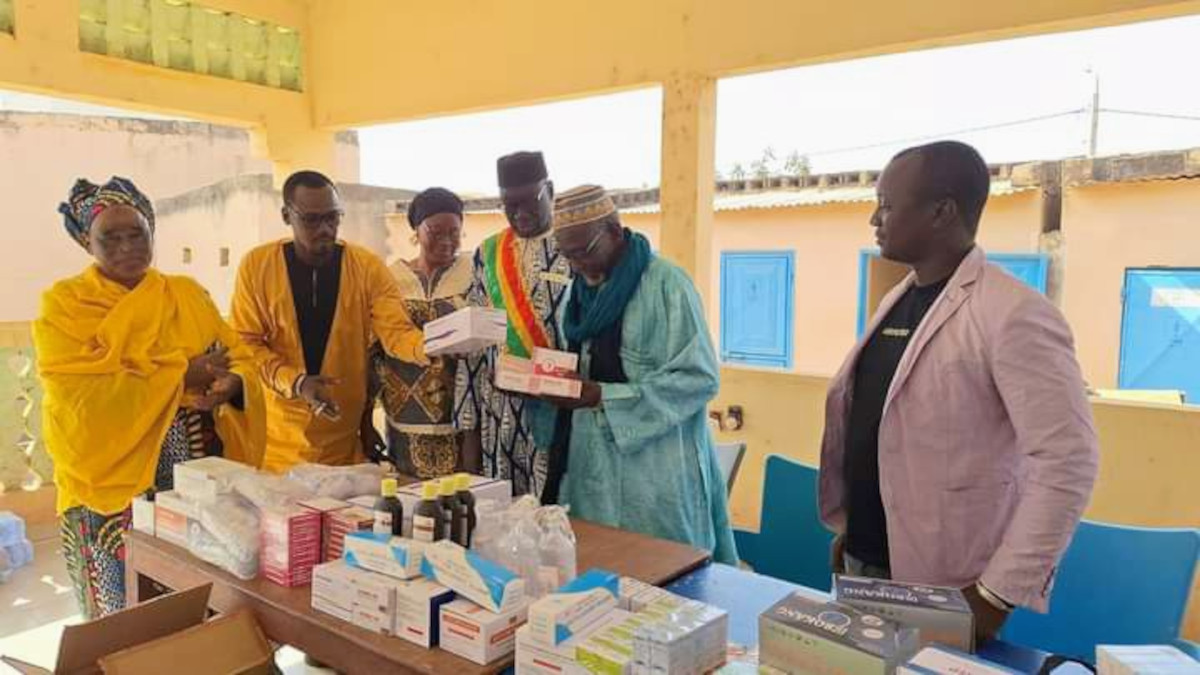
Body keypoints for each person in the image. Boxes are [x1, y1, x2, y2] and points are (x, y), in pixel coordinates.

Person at [818, 141, 1099, 643]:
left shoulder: (1012, 312)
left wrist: (996, 593)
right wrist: (855, 529)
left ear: (941, 212)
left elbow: (1068, 459)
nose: (874, 219)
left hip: (949, 583)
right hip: (867, 563)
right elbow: (886, 425)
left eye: (886, 205)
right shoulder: (897, 299)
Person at [35, 177, 263, 618]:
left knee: (200, 601)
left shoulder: (185, 294)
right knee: (123, 615)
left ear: (152, 232)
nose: (127, 247)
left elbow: (239, 356)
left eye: (137, 234)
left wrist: (233, 383)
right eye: (110, 237)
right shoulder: (65, 305)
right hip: (111, 481)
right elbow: (78, 397)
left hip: (195, 477)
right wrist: (182, 375)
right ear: (87, 242)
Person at [539, 185, 738, 564]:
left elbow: (700, 378)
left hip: (657, 478)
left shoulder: (667, 284)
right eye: (568, 256)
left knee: (667, 577)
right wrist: (550, 383)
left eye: (584, 251)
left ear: (614, 232)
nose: (577, 265)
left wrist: (602, 395)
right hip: (592, 473)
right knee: (598, 575)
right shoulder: (576, 294)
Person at [231, 170, 427, 472]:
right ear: (286, 216)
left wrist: (433, 346)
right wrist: (296, 383)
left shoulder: (367, 267)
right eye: (311, 220)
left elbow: (397, 332)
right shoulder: (257, 267)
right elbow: (244, 345)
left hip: (342, 446)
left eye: (333, 218)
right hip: (275, 446)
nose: (325, 229)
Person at [455, 151, 571, 496]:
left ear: (550, 190)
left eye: (528, 200)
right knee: (503, 513)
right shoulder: (488, 253)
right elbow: (475, 346)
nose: (519, 212)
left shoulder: (573, 246)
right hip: (499, 413)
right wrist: (468, 428)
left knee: (553, 511)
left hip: (560, 407)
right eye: (509, 204)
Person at [365, 187, 472, 479]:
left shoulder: (474, 274)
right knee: (410, 494)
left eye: (454, 232)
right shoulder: (390, 279)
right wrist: (365, 418)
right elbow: (373, 352)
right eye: (435, 232)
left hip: (461, 418)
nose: (446, 241)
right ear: (416, 230)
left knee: (462, 495)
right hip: (404, 418)